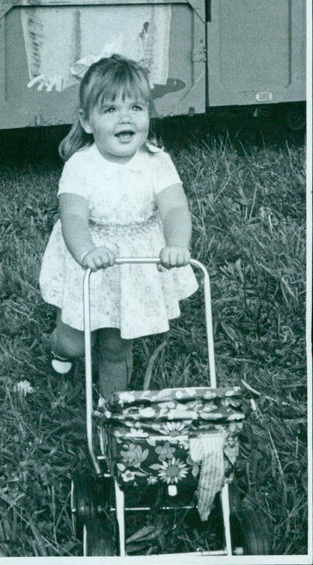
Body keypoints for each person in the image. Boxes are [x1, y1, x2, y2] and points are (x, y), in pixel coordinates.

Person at [39, 54, 197, 399]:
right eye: (110, 110)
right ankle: (59, 347)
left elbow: (174, 208)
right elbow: (74, 217)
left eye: (136, 108)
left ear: (147, 114)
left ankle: (113, 411)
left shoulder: (157, 162)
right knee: (75, 340)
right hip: (90, 258)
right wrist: (87, 252)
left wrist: (176, 243)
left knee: (116, 346)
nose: (125, 118)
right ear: (87, 121)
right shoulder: (81, 165)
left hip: (132, 263)